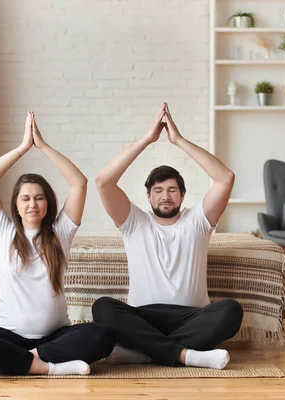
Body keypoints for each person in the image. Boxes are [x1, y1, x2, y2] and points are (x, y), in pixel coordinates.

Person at [0, 112, 115, 376]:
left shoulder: (60, 232)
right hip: (10, 336)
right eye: (26, 199)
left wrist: (42, 147)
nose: (32, 204)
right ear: (16, 206)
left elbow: (79, 183)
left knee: (104, 335)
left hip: (55, 337)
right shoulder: (2, 231)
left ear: (47, 204)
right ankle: (51, 368)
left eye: (39, 198)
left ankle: (24, 362)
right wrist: (22, 149)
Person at [92, 103, 243, 370]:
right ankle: (188, 355)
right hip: (143, 316)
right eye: (158, 190)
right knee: (103, 308)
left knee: (231, 311)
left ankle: (146, 352)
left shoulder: (197, 220)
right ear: (148, 196)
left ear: (182, 196)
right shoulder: (133, 222)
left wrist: (179, 141)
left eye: (172, 190)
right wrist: (148, 139)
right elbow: (104, 181)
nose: (165, 196)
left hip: (192, 317)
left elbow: (225, 178)